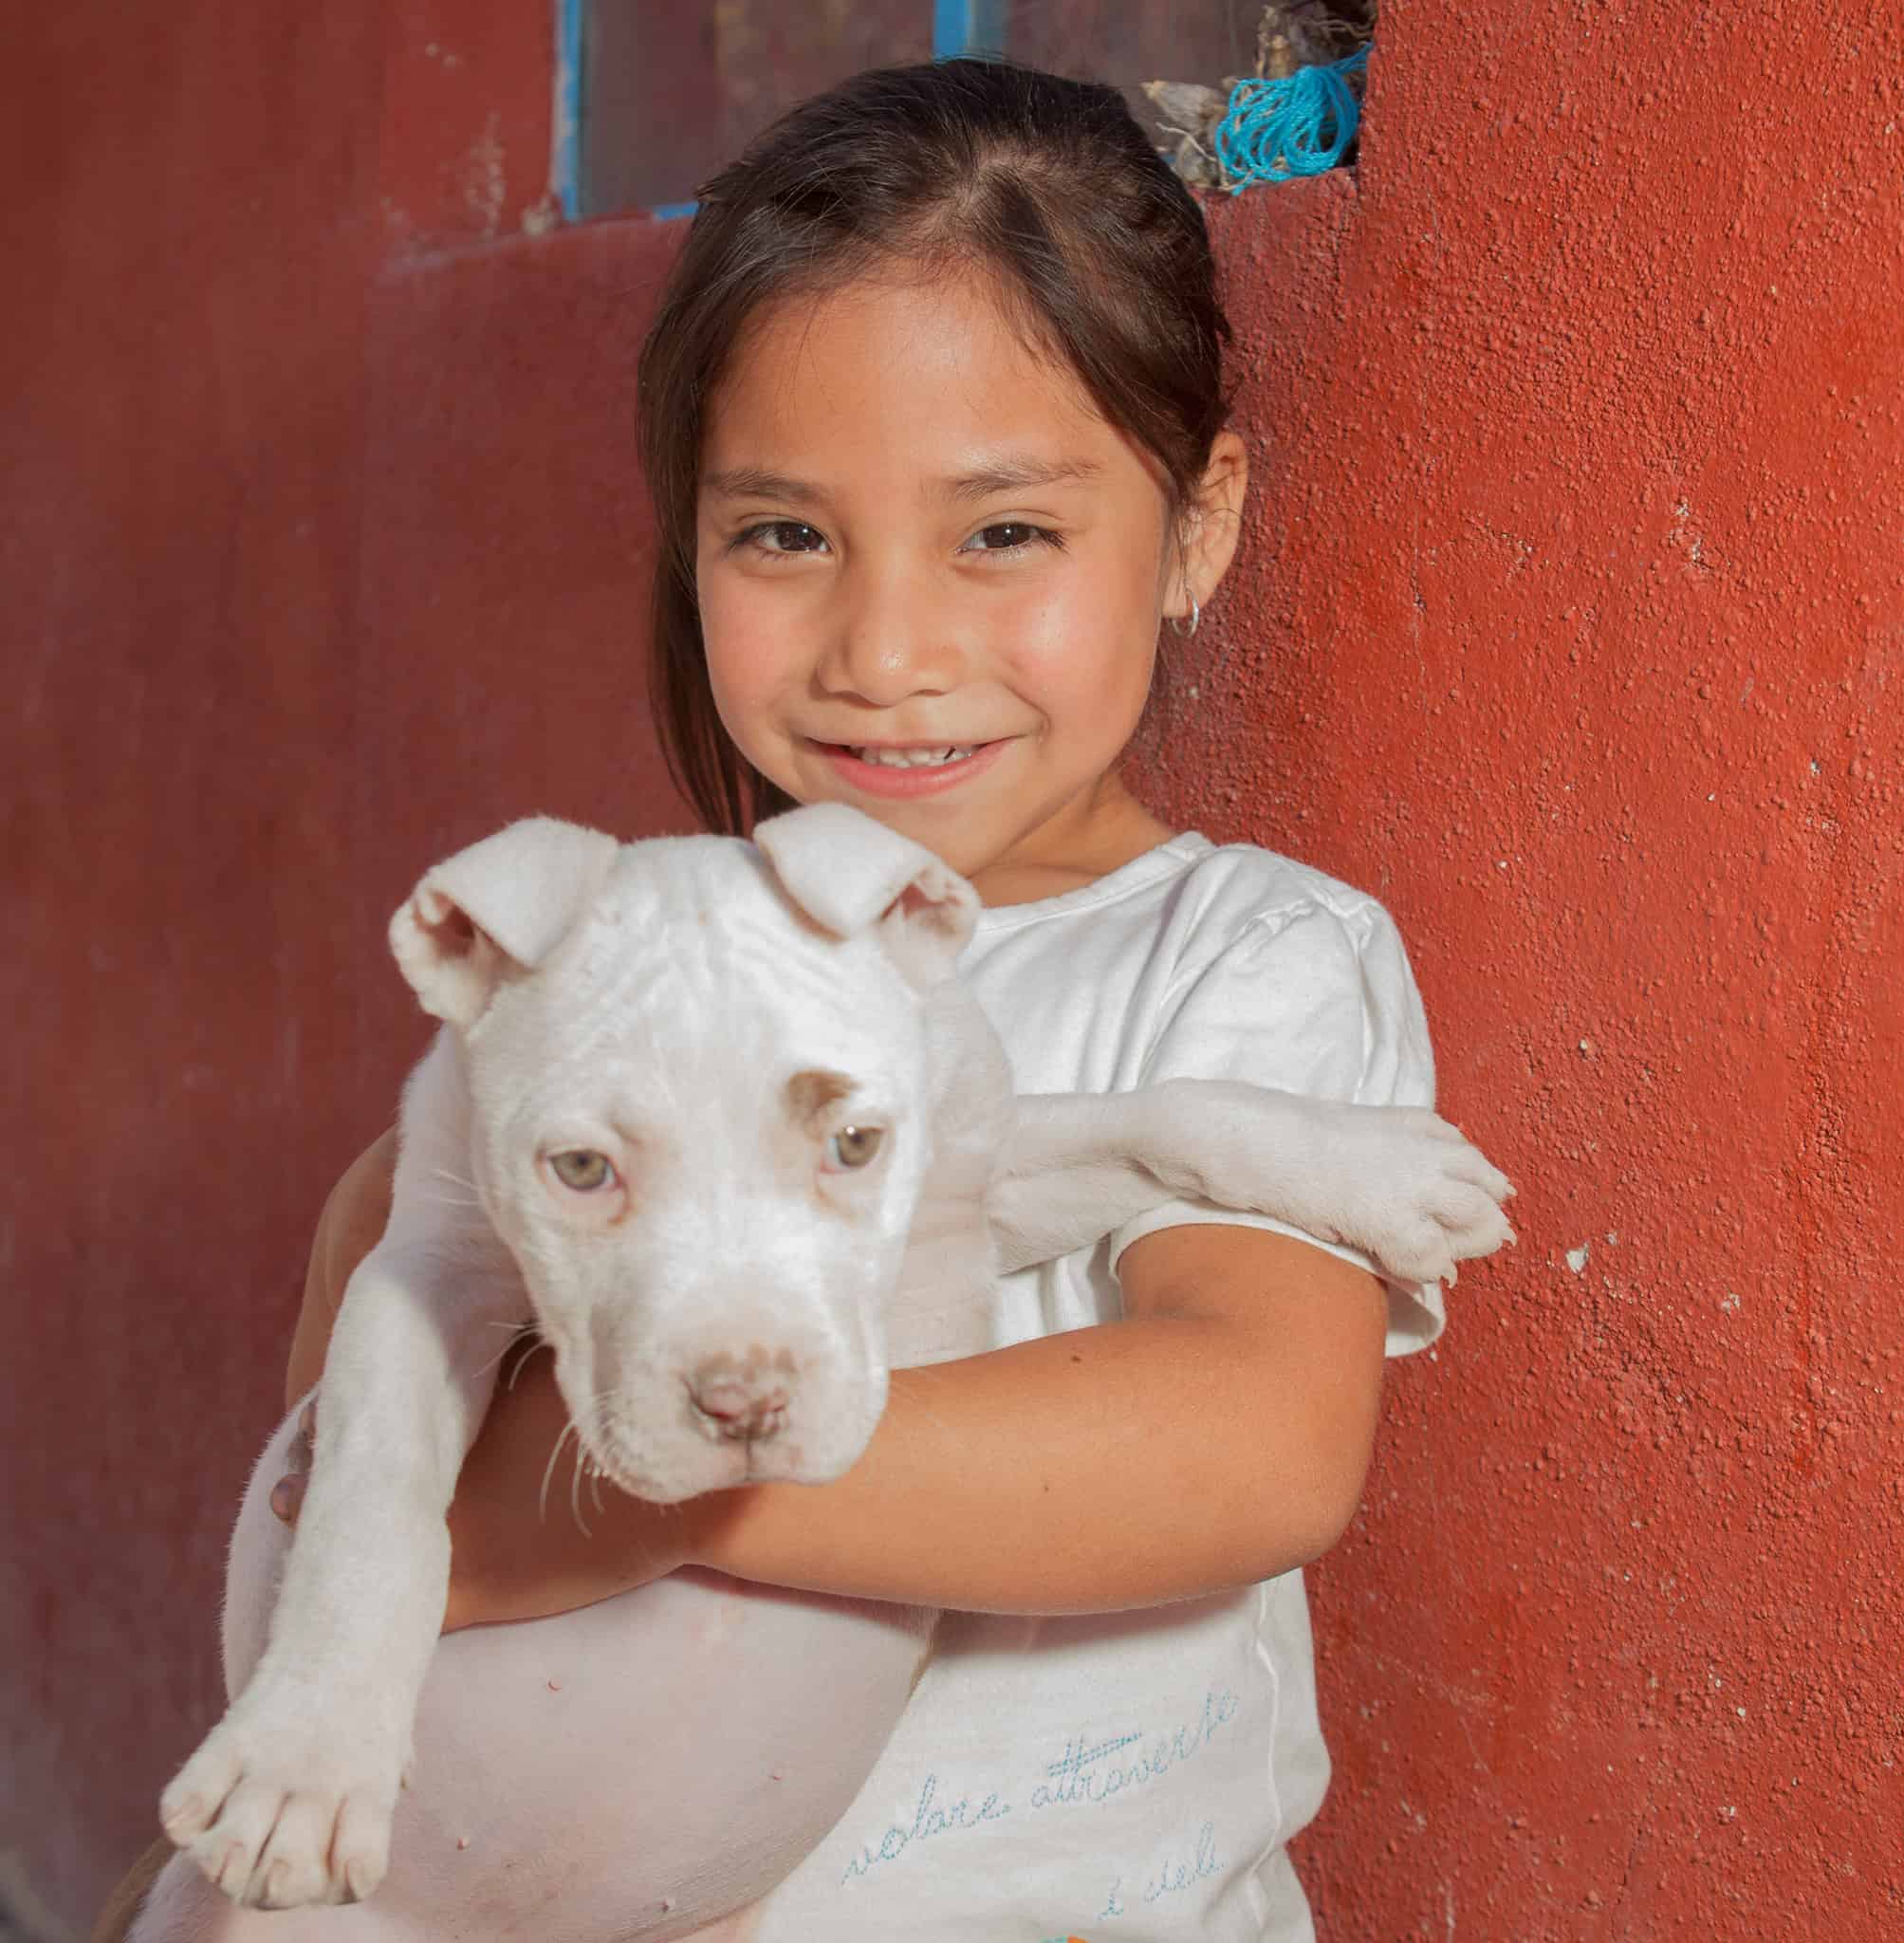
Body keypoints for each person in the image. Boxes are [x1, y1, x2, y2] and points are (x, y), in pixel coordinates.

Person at [267, 58, 1451, 1942]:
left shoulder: (1248, 958)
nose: (888, 651)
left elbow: (1251, 1439)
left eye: (1002, 533)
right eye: (786, 535)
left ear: (1200, 524)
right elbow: (358, 1386)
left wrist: (666, 1462)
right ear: (692, 543)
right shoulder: (635, 964)